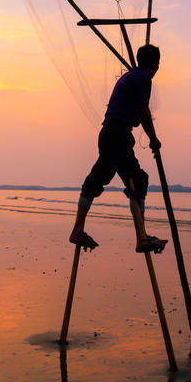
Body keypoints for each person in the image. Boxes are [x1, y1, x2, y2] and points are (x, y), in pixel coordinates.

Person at [69, 44, 168, 254]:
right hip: (117, 135)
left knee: (95, 180)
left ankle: (78, 229)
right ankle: (141, 238)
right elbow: (143, 111)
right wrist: (153, 139)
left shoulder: (131, 77)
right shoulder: (142, 78)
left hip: (110, 134)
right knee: (138, 180)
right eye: (158, 62)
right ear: (155, 63)